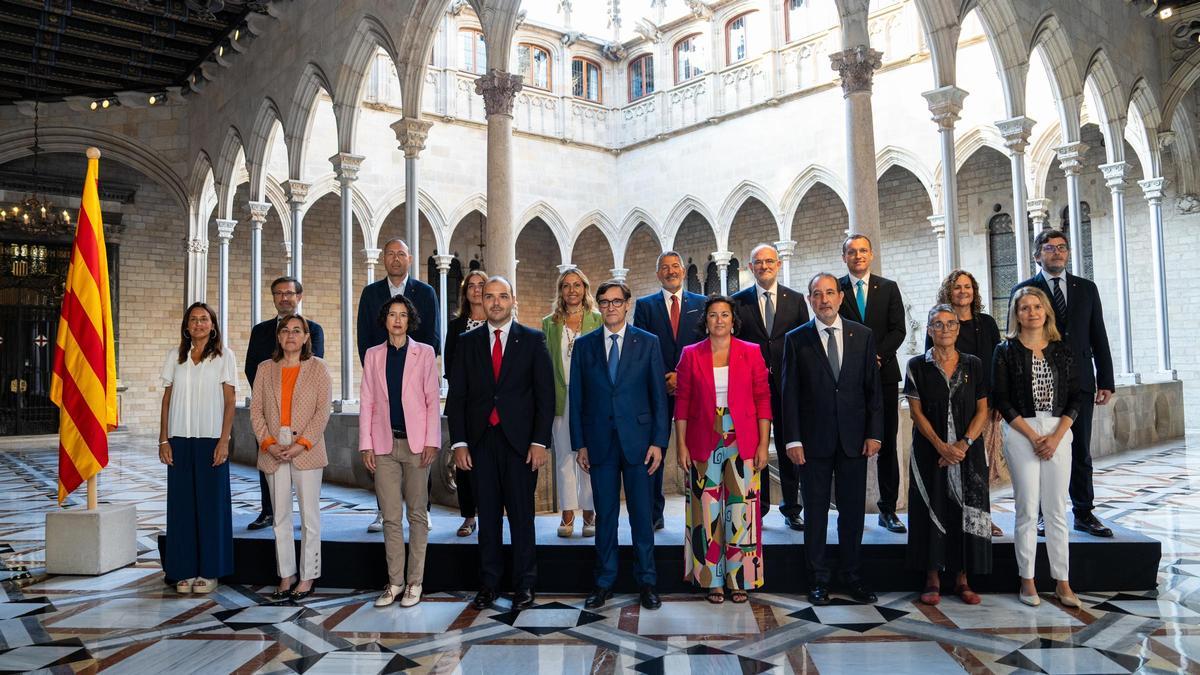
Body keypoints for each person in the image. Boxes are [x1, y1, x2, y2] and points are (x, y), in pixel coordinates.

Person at [447, 276, 554, 611]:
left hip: (521, 445)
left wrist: (539, 442)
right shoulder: (467, 342)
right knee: (488, 516)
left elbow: (545, 397)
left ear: (513, 299)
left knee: (522, 518)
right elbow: (459, 397)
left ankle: (525, 585)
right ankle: (489, 584)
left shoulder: (533, 340)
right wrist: (460, 443)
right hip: (480, 443)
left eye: (502, 296)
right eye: (489, 296)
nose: (495, 302)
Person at [782, 273, 882, 606]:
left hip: (854, 440)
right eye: (816, 294)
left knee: (852, 513)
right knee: (816, 513)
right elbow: (789, 395)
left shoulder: (863, 336)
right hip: (812, 443)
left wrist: (874, 433)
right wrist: (792, 440)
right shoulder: (796, 339)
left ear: (840, 297)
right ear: (809, 300)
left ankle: (852, 577)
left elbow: (873, 390)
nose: (824, 300)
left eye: (829, 293)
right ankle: (818, 581)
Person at [569, 280, 668, 610]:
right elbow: (577, 399)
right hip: (600, 444)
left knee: (642, 516)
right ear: (598, 306)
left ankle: (647, 582)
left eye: (616, 301)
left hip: (640, 445)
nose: (610, 307)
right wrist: (579, 443)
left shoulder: (648, 343)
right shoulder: (584, 346)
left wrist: (658, 442)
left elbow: (658, 397)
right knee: (606, 516)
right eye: (604, 302)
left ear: (628, 304)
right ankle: (604, 581)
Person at [1010, 229, 1115, 539]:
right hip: (1039, 383)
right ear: (1036, 255)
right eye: (1049, 248)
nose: (1057, 252)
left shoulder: (1086, 288)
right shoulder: (1024, 290)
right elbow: (1014, 340)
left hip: (1081, 380)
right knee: (1040, 448)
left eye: (1062, 248)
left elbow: (1099, 335)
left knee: (1080, 449)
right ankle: (1041, 514)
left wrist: (1105, 378)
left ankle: (1084, 512)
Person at [675, 295, 772, 604]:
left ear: (734, 320)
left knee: (741, 511)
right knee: (708, 510)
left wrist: (762, 444)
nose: (719, 320)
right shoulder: (690, 354)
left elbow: (763, 401)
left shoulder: (751, 352)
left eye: (725, 315)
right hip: (703, 439)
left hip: (742, 438)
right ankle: (712, 580)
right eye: (714, 315)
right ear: (706, 320)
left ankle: (738, 579)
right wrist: (680, 445)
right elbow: (682, 404)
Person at [992, 287, 1083, 608]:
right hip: (1021, 431)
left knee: (1057, 509)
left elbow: (1076, 396)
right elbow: (1001, 400)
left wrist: (1056, 437)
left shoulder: (1063, 350)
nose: (1031, 312)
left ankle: (1062, 582)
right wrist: (1033, 437)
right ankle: (1027, 581)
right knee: (1028, 508)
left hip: (1059, 429)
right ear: (1016, 314)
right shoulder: (1005, 351)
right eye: (1024, 307)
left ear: (1046, 311)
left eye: (1037, 307)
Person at [905, 305, 992, 606]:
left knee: (967, 508)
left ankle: (963, 578)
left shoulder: (974, 364)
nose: (944, 330)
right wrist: (942, 446)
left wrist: (963, 444)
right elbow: (916, 413)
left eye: (950, 324)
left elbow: (983, 409)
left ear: (958, 328)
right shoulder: (917, 365)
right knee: (933, 506)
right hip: (930, 450)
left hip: (968, 450)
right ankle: (932, 577)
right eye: (937, 325)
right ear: (929, 330)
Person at [359, 295, 441, 608]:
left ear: (410, 321)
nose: (397, 320)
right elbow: (366, 401)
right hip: (383, 445)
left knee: (418, 516)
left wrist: (433, 439)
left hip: (418, 446)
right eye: (392, 314)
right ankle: (394, 582)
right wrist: (365, 443)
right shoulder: (373, 355)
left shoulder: (425, 353)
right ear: (385, 320)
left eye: (403, 315)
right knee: (391, 518)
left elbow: (433, 401)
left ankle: (414, 583)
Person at [357, 238, 441, 533]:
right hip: (383, 374)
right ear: (383, 259)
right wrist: (376, 368)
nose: (395, 259)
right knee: (383, 457)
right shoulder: (371, 294)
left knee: (421, 450)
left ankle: (423, 510)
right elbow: (364, 337)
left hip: (417, 376)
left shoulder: (426, 292)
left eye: (401, 254)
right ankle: (384, 512)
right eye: (390, 254)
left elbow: (433, 337)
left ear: (410, 258)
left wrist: (417, 368)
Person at [249, 314, 332, 601]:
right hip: (273, 447)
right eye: (285, 330)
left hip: (305, 448)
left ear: (307, 337)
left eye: (297, 331)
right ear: (279, 336)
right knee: (280, 516)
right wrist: (269, 443)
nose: (291, 335)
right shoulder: (264, 369)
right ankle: (287, 575)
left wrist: (301, 444)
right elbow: (256, 411)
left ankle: (308, 576)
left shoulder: (319, 369)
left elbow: (323, 411)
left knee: (310, 517)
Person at [158, 302, 237, 594]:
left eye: (204, 319)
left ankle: (210, 570)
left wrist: (224, 440)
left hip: (211, 440)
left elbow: (230, 402)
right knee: (181, 508)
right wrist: (164, 439)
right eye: (194, 320)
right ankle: (183, 569)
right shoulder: (175, 357)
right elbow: (167, 400)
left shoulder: (223, 357)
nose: (199, 324)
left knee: (211, 507)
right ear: (186, 326)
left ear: (213, 325)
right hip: (179, 439)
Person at [731, 243, 809, 530]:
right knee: (755, 446)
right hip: (752, 388)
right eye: (758, 263)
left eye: (769, 262)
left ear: (777, 265)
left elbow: (803, 342)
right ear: (750, 268)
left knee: (790, 443)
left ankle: (791, 508)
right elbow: (734, 344)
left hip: (788, 385)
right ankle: (758, 507)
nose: (764, 267)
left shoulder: (796, 299)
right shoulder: (737, 302)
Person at [926, 270, 1004, 537]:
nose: (963, 292)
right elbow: (930, 362)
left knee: (980, 467)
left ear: (974, 291)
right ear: (949, 291)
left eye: (968, 287)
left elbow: (998, 364)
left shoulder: (987, 323)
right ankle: (952, 518)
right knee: (952, 462)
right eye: (957, 287)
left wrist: (999, 402)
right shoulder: (940, 322)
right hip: (949, 407)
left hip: (984, 407)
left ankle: (983, 518)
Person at [244, 276, 325, 532]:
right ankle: (268, 511)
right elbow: (251, 367)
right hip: (269, 413)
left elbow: (314, 369)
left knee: (304, 475)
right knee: (269, 464)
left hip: (302, 416)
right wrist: (267, 397)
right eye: (279, 293)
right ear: (273, 298)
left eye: (289, 293)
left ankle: (303, 515)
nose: (284, 298)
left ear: (299, 297)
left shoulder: (313, 328)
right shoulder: (260, 331)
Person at [838, 235, 907, 534]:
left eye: (863, 251)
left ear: (872, 255)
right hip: (848, 379)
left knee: (887, 443)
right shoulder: (836, 289)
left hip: (884, 375)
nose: (858, 256)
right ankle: (848, 508)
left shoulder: (888, 288)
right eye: (852, 252)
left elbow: (898, 330)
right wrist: (859, 361)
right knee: (848, 442)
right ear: (844, 257)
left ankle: (888, 509)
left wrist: (875, 356)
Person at [632, 251, 706, 530]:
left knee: (699, 450)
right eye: (665, 267)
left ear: (684, 271)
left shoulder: (701, 303)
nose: (671, 271)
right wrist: (665, 376)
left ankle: (701, 509)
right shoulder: (645, 306)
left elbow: (705, 346)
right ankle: (654, 513)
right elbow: (641, 345)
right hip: (658, 388)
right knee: (655, 451)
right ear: (657, 274)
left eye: (675, 266)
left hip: (694, 388)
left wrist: (683, 375)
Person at [543, 267, 601, 538]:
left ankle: (589, 511)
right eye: (566, 285)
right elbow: (545, 363)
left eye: (577, 285)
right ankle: (567, 512)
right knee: (565, 456)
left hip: (589, 399)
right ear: (560, 291)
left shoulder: (598, 320)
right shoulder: (549, 323)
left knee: (588, 455)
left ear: (585, 288)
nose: (572, 290)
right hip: (559, 395)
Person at [445, 269, 489, 538]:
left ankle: (491, 514)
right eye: (470, 286)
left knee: (489, 463)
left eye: (480, 285)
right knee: (464, 463)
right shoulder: (456, 326)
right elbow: (450, 366)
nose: (475, 290)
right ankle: (469, 517)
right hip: (463, 404)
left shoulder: (498, 322)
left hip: (492, 406)